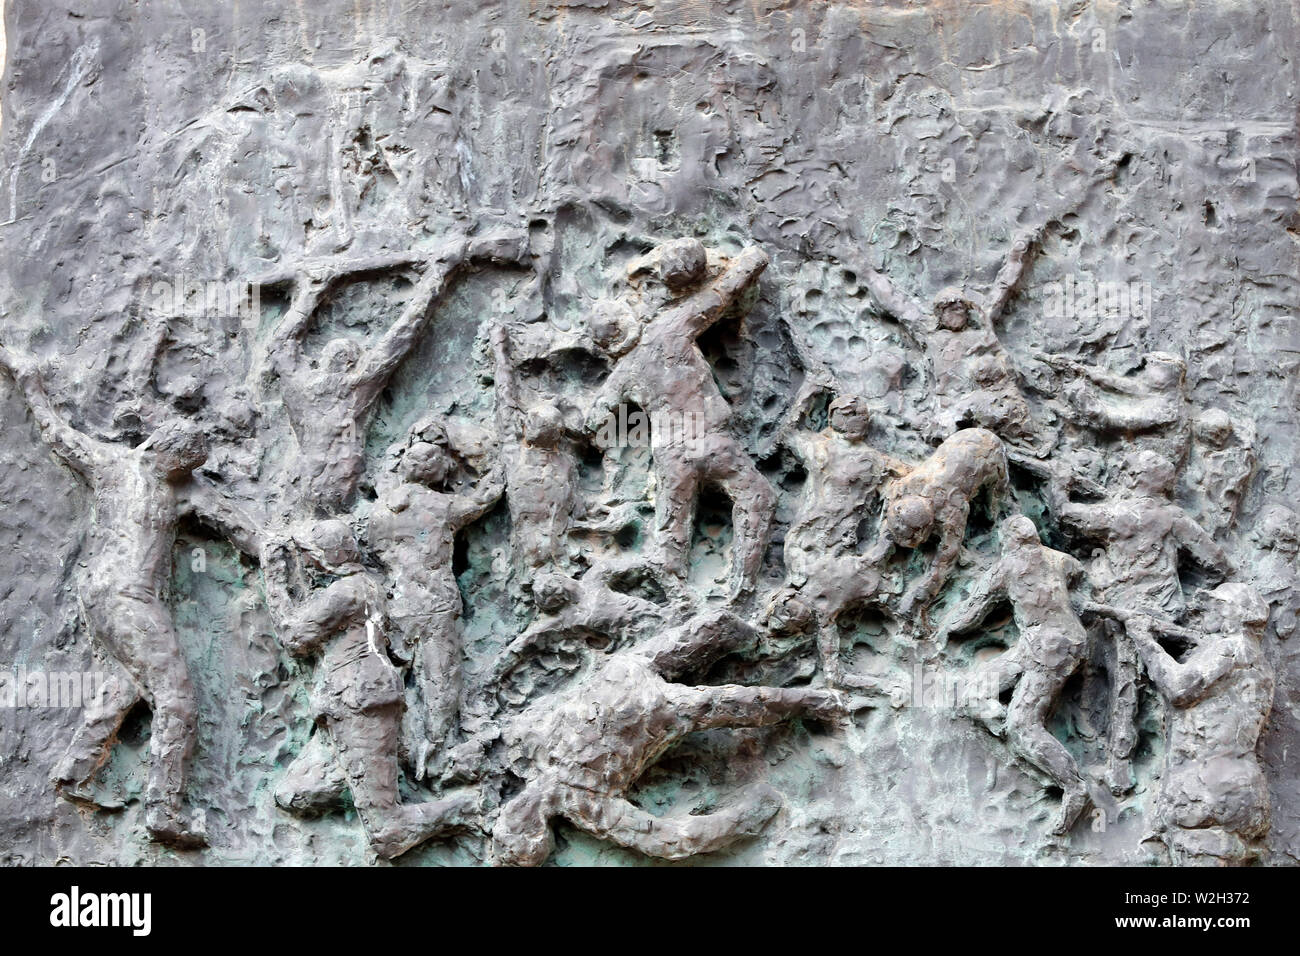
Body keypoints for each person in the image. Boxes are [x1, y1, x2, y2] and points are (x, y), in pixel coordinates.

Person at [1, 345, 258, 847]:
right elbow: (55, 433)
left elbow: (245, 531)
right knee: (177, 699)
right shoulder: (127, 469)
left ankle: (75, 772)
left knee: (126, 683)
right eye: (178, 459)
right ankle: (164, 810)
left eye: (186, 465)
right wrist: (26, 376)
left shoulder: (177, 487)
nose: (177, 467)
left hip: (108, 596)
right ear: (161, 449)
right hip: (127, 597)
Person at [491, 609, 861, 865]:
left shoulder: (581, 802)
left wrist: (751, 812)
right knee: (717, 637)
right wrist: (749, 811)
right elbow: (671, 837)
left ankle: (819, 698)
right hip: (630, 678)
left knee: (736, 701)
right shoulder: (524, 748)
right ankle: (766, 649)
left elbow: (672, 839)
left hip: (651, 710)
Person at [261, 518, 479, 860]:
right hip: (347, 701)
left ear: (321, 560)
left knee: (385, 833)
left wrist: (273, 578)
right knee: (294, 794)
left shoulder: (346, 592)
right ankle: (371, 786)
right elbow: (311, 619)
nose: (304, 565)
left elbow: (294, 637)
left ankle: (470, 805)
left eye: (306, 558)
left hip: (359, 700)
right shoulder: (359, 585)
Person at [585, 240, 775, 596]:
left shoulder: (622, 374)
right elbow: (719, 295)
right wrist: (752, 260)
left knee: (672, 536)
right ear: (630, 320)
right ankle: (743, 587)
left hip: (671, 456)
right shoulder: (666, 330)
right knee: (758, 498)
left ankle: (673, 597)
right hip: (710, 441)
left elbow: (591, 423)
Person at [1044, 449, 1233, 794]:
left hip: (1128, 614)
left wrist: (1059, 482)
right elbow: (1217, 564)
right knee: (1134, 684)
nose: (1124, 476)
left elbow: (1066, 516)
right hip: (1166, 611)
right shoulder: (1174, 518)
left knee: (1124, 685)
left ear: (1134, 479)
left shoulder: (1121, 514)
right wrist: (1192, 602)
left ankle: (1119, 766)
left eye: (1128, 472)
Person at [1091, 584, 1275, 864]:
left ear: (1233, 614)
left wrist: (1144, 639)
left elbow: (1178, 688)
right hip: (1244, 787)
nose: (1207, 611)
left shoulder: (1228, 649)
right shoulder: (1256, 660)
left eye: (1217, 606)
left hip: (1205, 788)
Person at [934, 515, 1092, 833]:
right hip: (1045, 643)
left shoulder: (1008, 567)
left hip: (1049, 649)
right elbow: (1077, 573)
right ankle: (1003, 728)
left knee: (1024, 726)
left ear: (1008, 541)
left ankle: (1074, 788)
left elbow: (973, 611)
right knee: (971, 692)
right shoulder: (1060, 559)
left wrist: (943, 628)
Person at [368, 435, 503, 779]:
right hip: (435, 604)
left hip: (395, 604)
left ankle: (396, 749)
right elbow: (483, 499)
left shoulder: (380, 510)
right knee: (440, 679)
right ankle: (435, 750)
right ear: (433, 471)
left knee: (398, 677)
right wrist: (501, 466)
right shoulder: (440, 506)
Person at [866, 427, 1010, 623]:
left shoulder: (952, 515)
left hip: (989, 456)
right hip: (957, 443)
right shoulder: (906, 485)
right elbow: (891, 504)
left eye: (910, 537)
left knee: (990, 510)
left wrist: (922, 593)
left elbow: (945, 559)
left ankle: (992, 509)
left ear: (927, 530)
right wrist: (879, 552)